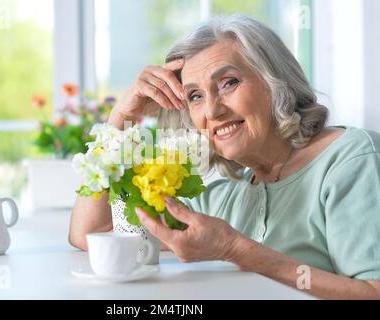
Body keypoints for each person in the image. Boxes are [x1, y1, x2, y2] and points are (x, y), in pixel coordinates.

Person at [69, 15, 380, 299]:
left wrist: (234, 249)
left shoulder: (350, 158)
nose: (213, 110)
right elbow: (94, 235)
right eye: (195, 96)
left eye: (229, 82)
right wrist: (120, 119)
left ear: (276, 82)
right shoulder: (223, 199)